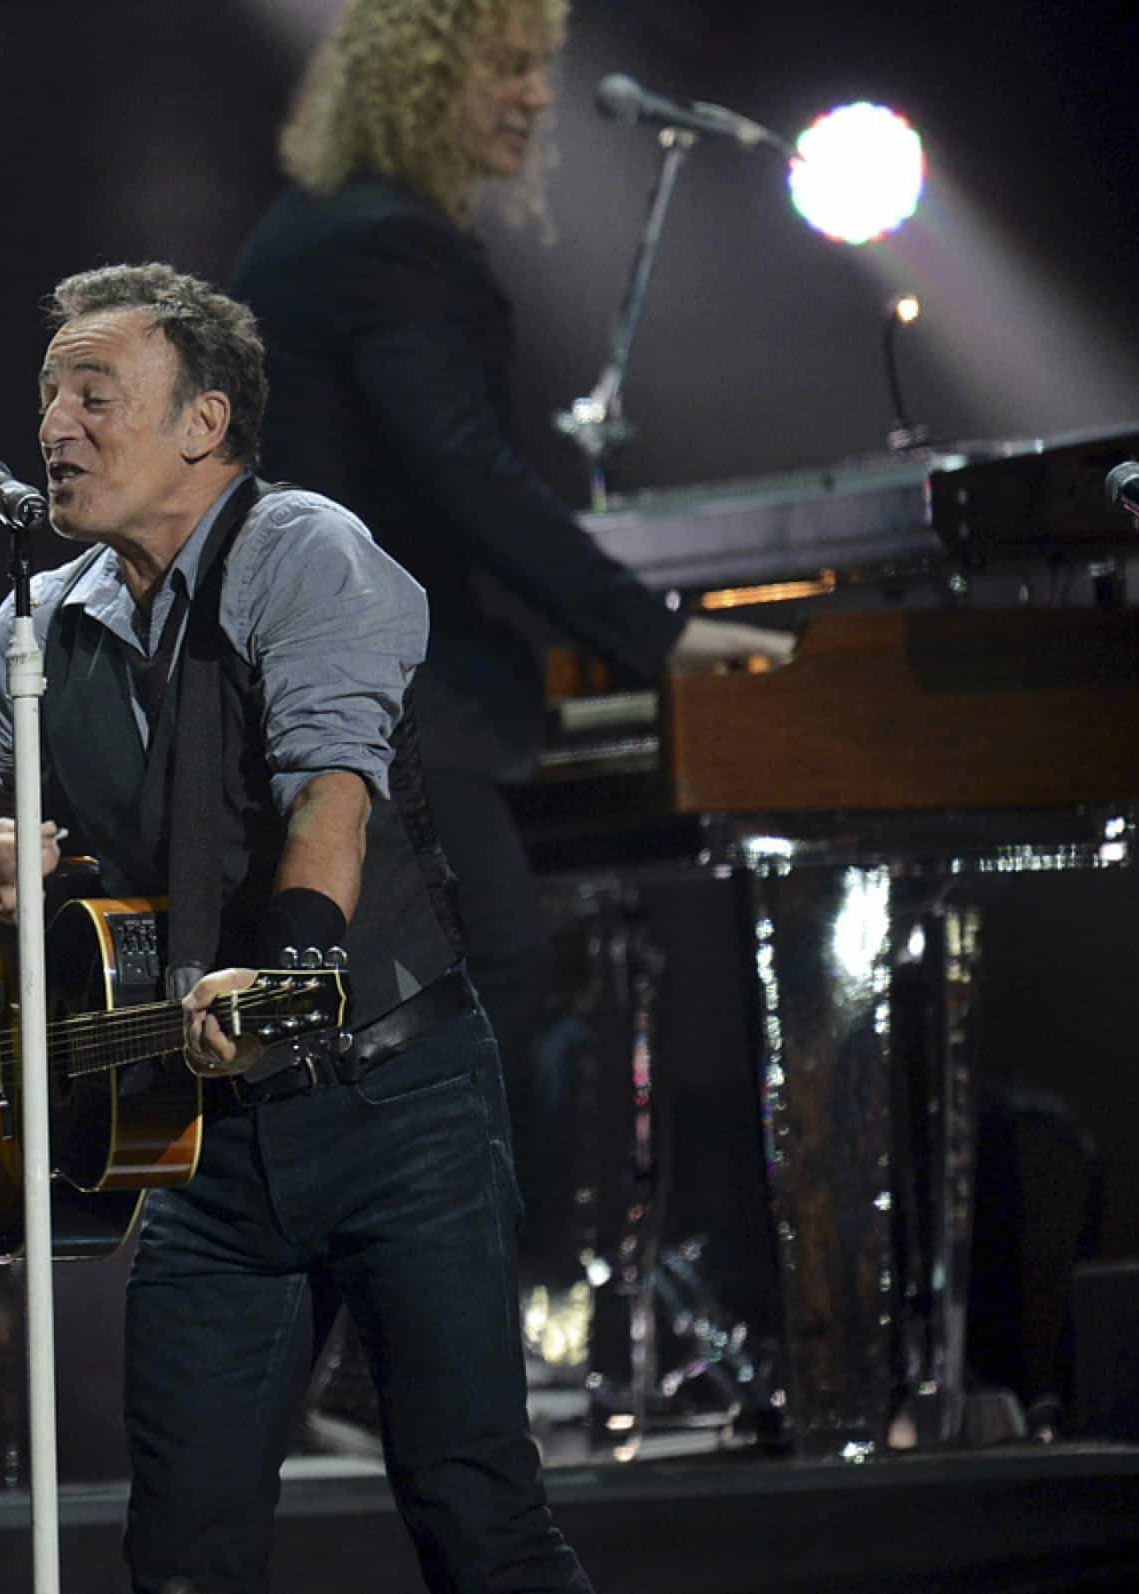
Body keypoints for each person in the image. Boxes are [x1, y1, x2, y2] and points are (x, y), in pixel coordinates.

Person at [0, 262, 592, 1593]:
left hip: (392, 1100)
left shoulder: (305, 549)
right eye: (49, 395)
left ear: (203, 423)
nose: (54, 425)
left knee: (473, 1509)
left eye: (94, 397)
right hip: (209, 1147)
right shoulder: (41, 624)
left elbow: (333, 791)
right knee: (180, 1547)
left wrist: (290, 966)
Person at [228, 0, 794, 1269]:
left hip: (343, 683)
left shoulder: (315, 231)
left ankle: (386, 1348)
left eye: (542, 68)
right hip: (390, 696)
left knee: (427, 1003)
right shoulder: (387, 245)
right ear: (423, 80)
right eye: (510, 66)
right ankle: (435, 1340)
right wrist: (650, 633)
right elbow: (465, 474)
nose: (540, 98)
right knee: (477, 997)